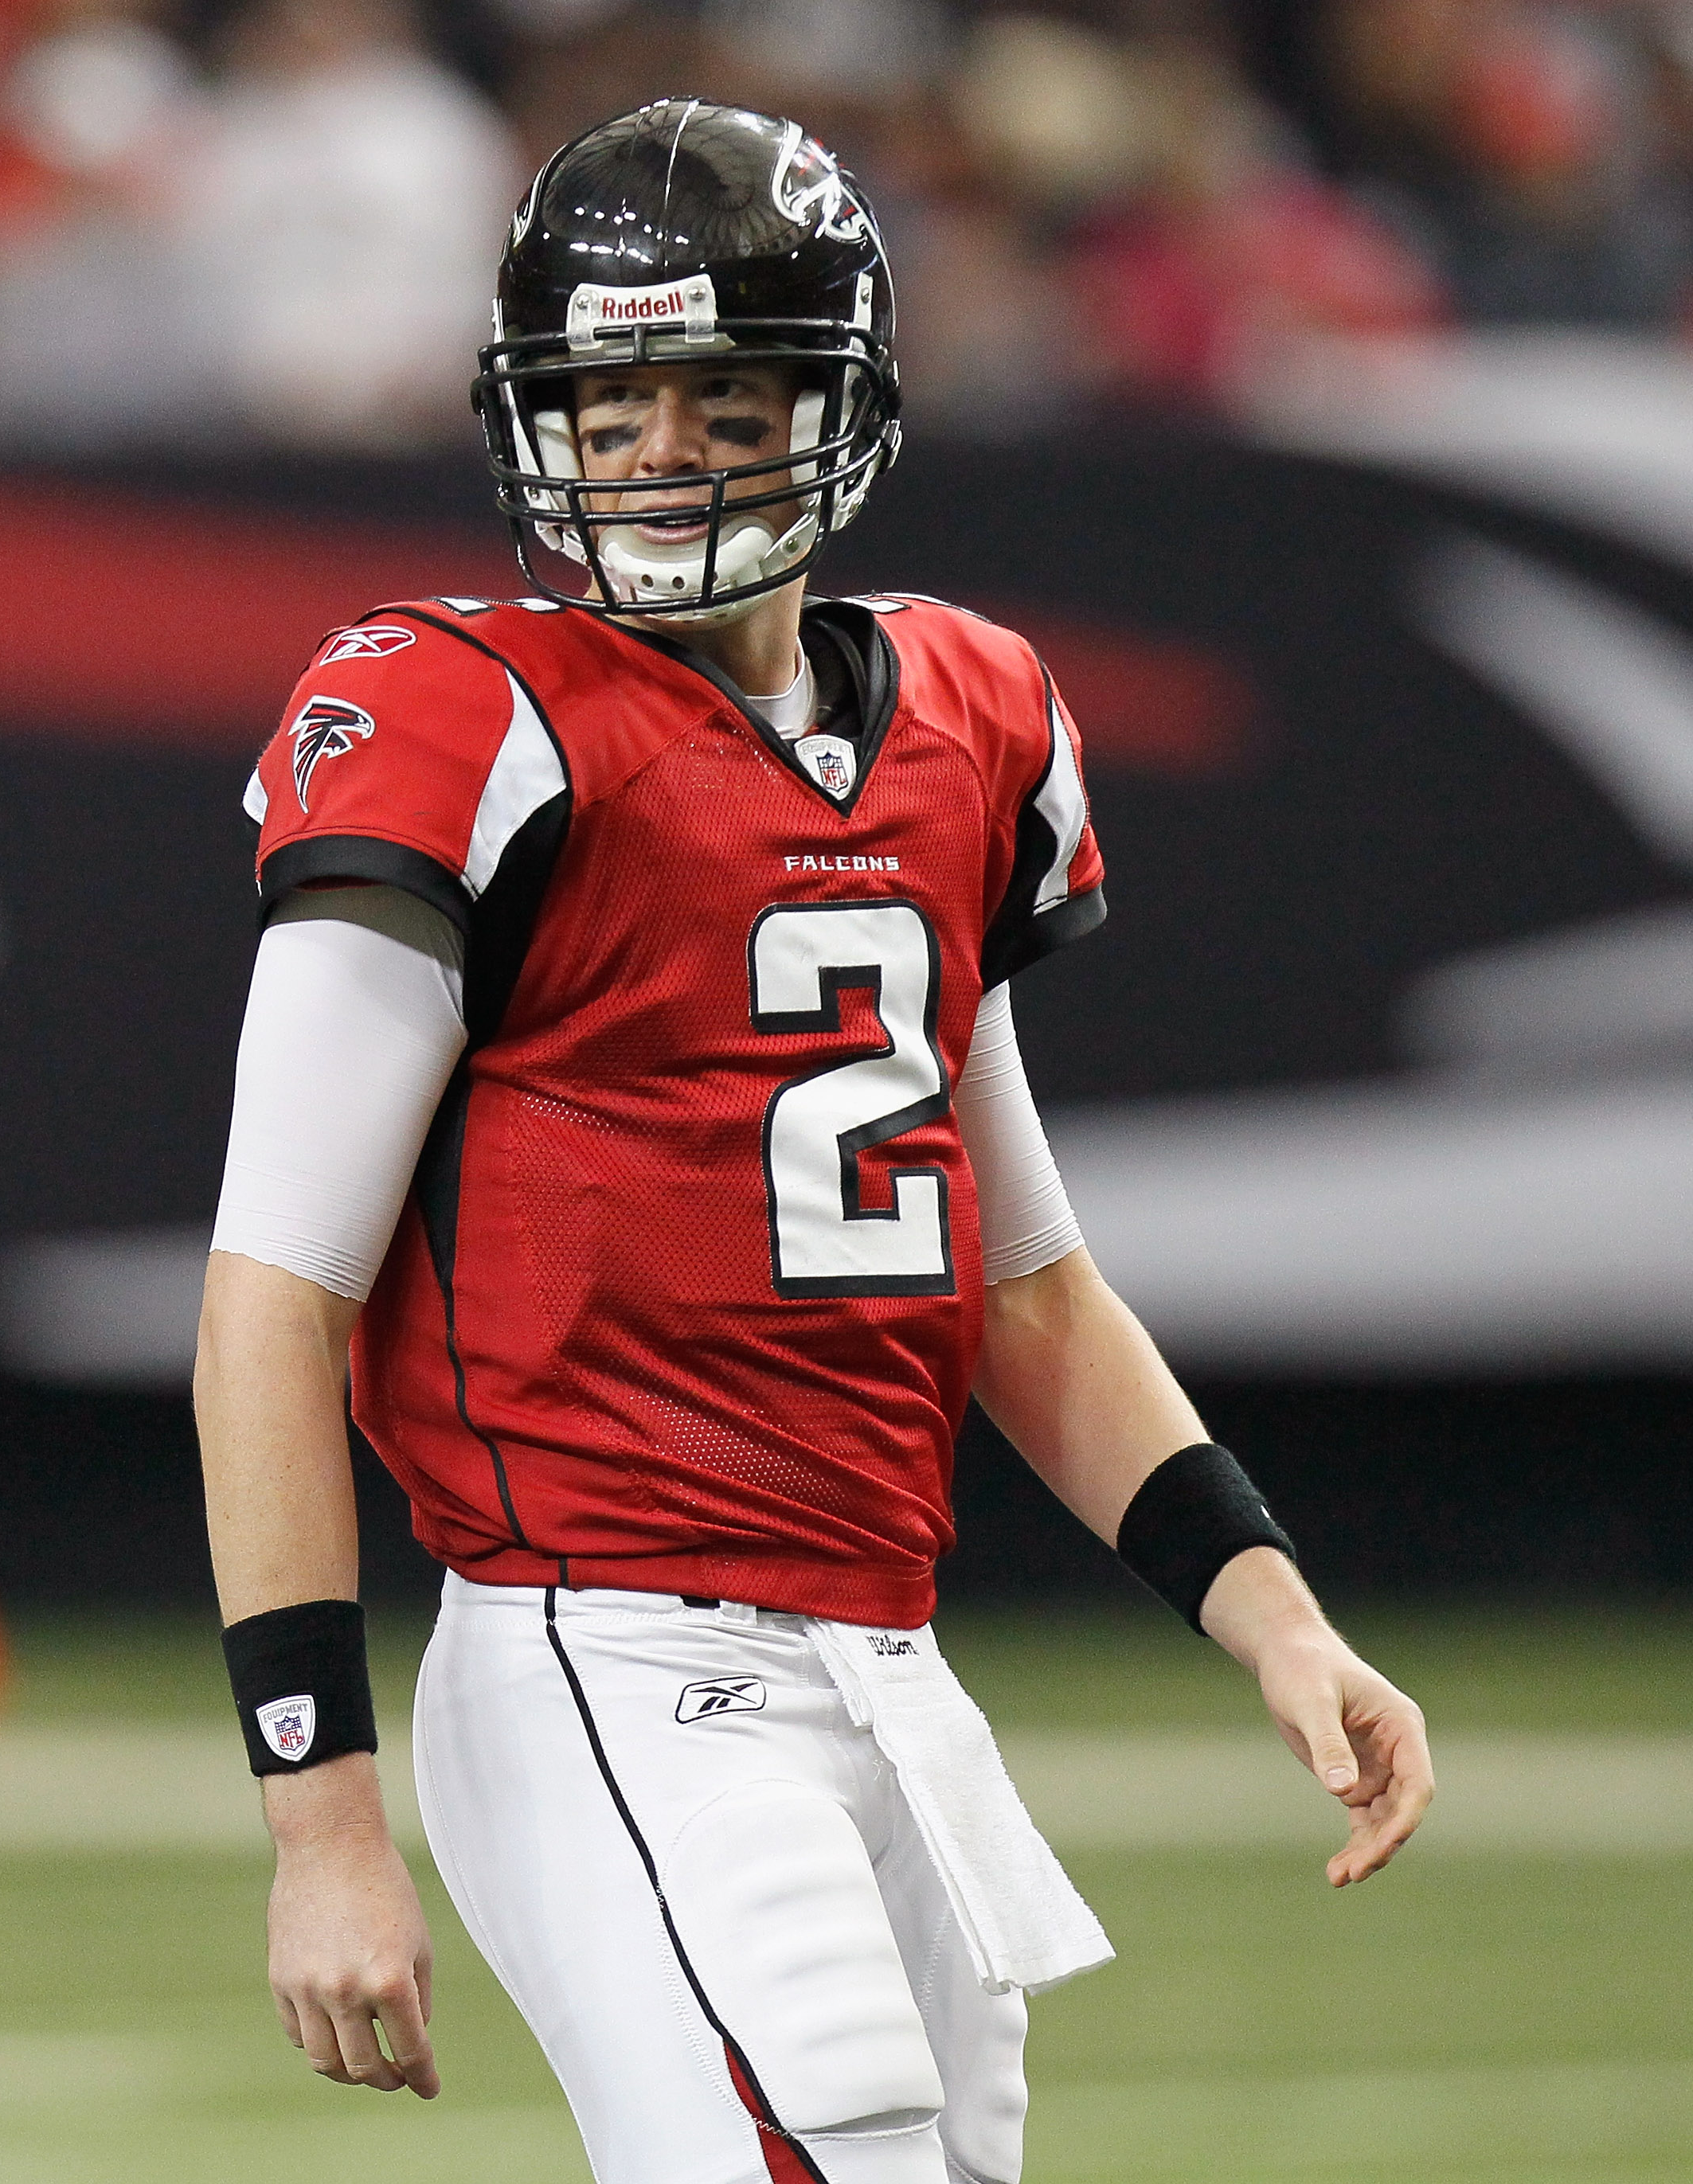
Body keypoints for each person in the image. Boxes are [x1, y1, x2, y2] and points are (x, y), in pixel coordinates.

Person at [194, 97, 1433, 2184]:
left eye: (719, 391)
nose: (660, 445)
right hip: (610, 1642)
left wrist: (1272, 1611)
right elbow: (268, 1300)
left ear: (832, 402)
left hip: (885, 1656)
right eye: (613, 396)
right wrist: (320, 1817)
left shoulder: (969, 716)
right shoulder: (459, 718)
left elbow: (1022, 1285)